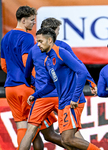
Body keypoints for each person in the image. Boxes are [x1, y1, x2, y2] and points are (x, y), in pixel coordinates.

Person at [19, 17, 97, 149]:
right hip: (59, 98)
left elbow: (80, 70)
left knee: (33, 131)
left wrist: (77, 95)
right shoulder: (48, 60)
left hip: (69, 99)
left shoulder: (60, 51)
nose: (38, 44)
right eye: (57, 31)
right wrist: (36, 94)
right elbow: (50, 84)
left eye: (40, 41)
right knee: (66, 139)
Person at [0, 5, 53, 150]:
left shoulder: (5, 38)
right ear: (23, 20)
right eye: (31, 20)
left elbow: (3, 65)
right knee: (35, 129)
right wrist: (37, 84)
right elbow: (27, 63)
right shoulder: (28, 37)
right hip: (26, 87)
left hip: (10, 88)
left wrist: (13, 73)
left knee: (22, 126)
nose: (33, 23)